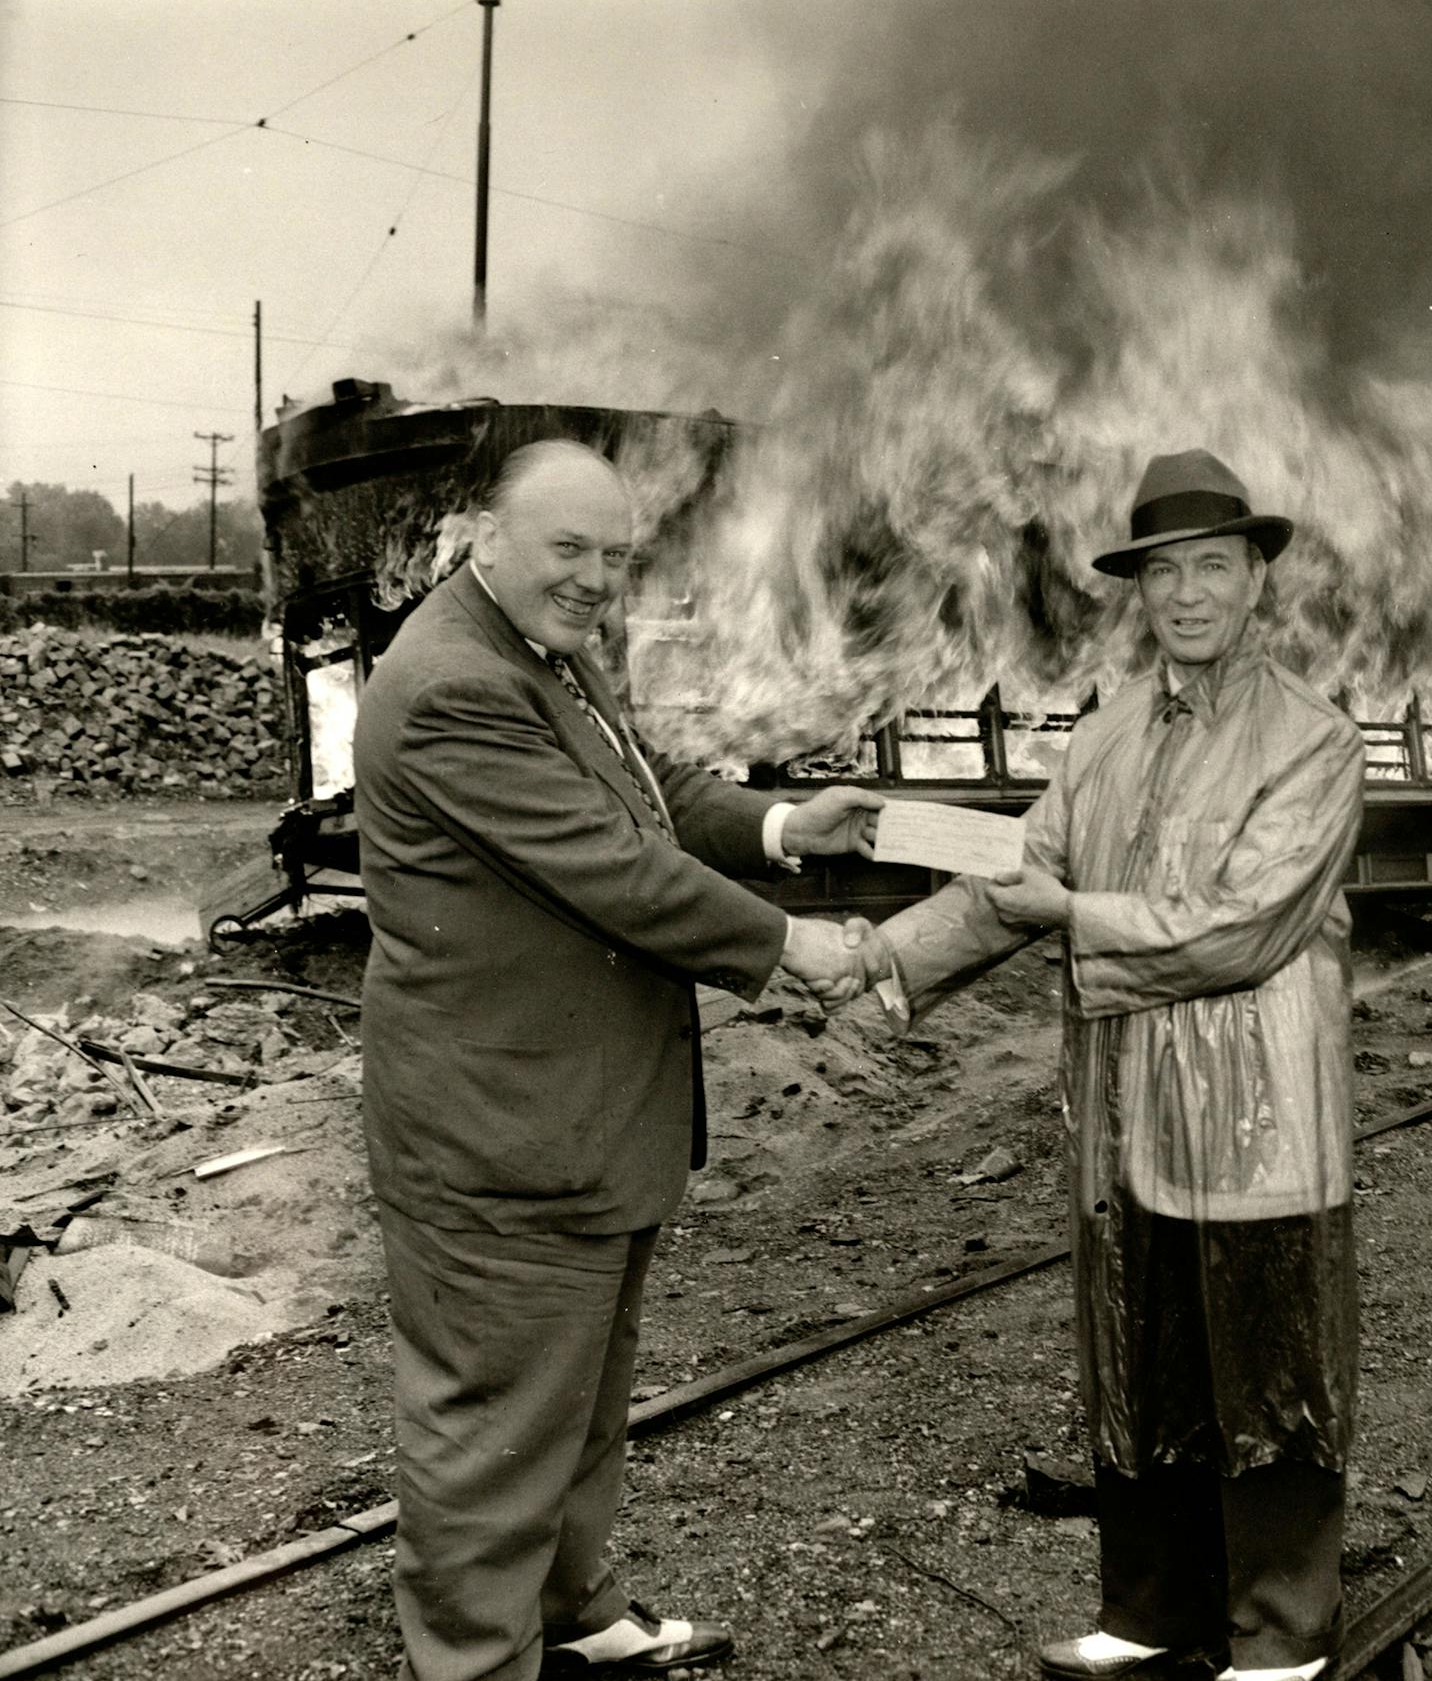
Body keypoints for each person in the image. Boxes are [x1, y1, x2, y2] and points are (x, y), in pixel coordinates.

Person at [353, 439, 879, 1681]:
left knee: (577, 1399)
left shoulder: (541, 648)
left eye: (616, 556)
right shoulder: (455, 684)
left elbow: (645, 793)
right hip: (504, 1137)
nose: (595, 579)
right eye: (570, 549)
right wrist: (791, 946)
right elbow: (616, 871)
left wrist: (781, 825)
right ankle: (476, 1660)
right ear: (486, 538)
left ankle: (572, 1617)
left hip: (573, 1127)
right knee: (493, 1429)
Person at [849, 449, 1365, 1681]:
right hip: (1131, 1102)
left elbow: (1241, 928)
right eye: (1163, 573)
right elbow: (1020, 876)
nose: (1187, 595)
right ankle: (1149, 1616)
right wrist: (879, 961)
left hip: (1262, 1110)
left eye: (1212, 567)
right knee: (1143, 1344)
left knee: (1268, 1350)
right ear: (1138, 589)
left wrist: (1075, 915)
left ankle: (1282, 1638)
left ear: (1256, 578)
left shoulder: (1314, 740)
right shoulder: (1105, 736)